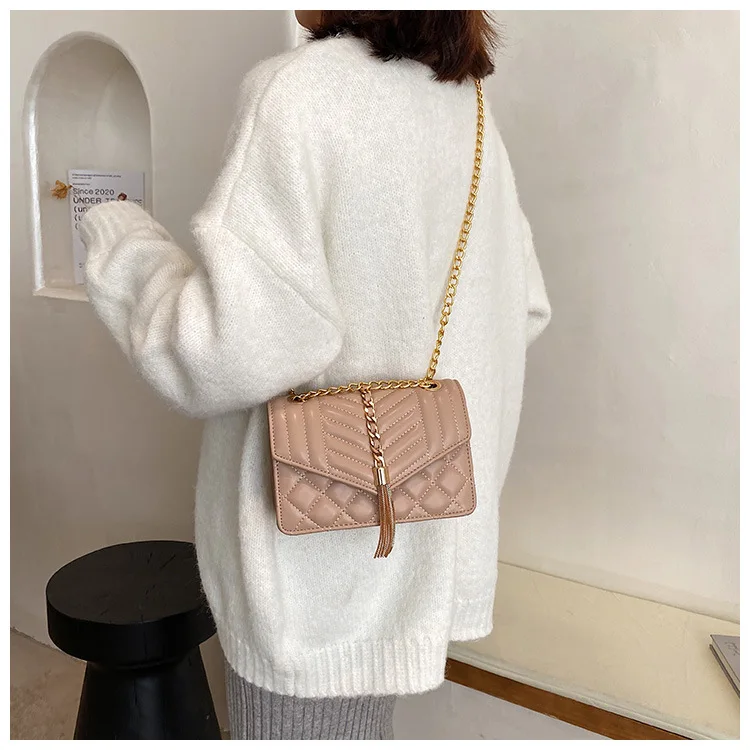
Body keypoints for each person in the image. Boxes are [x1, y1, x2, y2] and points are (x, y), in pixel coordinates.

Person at [79, 10, 551, 741]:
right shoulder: (469, 107)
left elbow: (218, 352)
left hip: (309, 579)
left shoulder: (299, 93)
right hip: (423, 538)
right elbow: (525, 307)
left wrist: (123, 242)